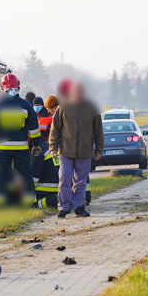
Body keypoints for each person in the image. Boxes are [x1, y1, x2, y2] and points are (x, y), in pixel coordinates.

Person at [49, 82, 104, 218]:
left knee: (81, 182)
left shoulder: (92, 108)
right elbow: (54, 130)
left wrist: (99, 149)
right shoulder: (63, 108)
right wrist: (53, 148)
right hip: (66, 152)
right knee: (64, 178)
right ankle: (63, 207)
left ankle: (79, 207)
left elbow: (98, 131)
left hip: (84, 152)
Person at [0, 73, 41, 206]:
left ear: (2, 87)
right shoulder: (26, 106)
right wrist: (36, 144)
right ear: (18, 87)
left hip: (2, 148)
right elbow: (33, 129)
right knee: (25, 176)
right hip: (20, 148)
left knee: (1, 176)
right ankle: (30, 204)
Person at [32, 138, 60, 208]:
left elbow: (35, 176)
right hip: (61, 188)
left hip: (44, 190)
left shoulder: (38, 149)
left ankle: (37, 205)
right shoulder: (56, 147)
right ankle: (56, 199)